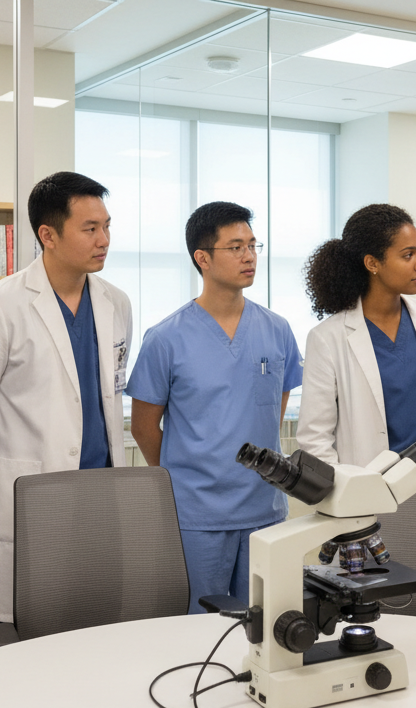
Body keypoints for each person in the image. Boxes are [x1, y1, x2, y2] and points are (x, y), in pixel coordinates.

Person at [0, 171, 133, 624]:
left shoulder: (116, 302)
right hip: (29, 501)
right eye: (90, 229)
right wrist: (5, 472)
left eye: (107, 226)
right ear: (47, 235)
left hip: (100, 499)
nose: (104, 239)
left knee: (95, 632)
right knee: (18, 641)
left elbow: (110, 396)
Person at [126, 201, 302, 613]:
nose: (249, 256)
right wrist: (189, 476)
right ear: (202, 259)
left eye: (254, 245)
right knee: (200, 630)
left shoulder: (277, 330)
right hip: (197, 515)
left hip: (265, 510)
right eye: (236, 247)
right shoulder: (165, 338)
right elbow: (144, 427)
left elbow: (272, 412)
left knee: (267, 626)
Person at [297, 203, 416, 465]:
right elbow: (314, 439)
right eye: (408, 255)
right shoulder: (328, 338)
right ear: (372, 263)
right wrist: (350, 493)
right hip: (369, 490)